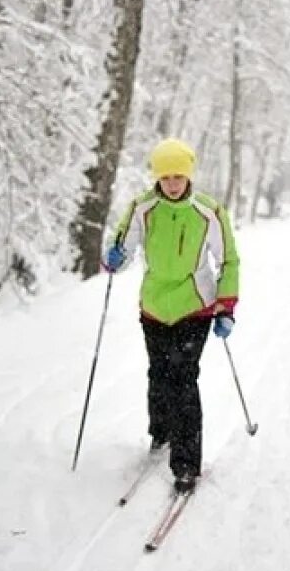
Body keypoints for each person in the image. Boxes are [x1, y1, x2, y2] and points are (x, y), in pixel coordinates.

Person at [101, 138, 240, 494]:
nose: (173, 183)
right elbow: (123, 248)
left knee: (183, 378)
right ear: (157, 178)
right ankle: (159, 434)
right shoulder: (141, 208)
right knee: (159, 374)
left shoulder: (209, 211)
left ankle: (186, 463)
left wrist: (226, 308)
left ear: (189, 174)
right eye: (166, 177)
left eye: (179, 175)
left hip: (195, 307)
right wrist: (114, 258)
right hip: (153, 306)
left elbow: (228, 262)